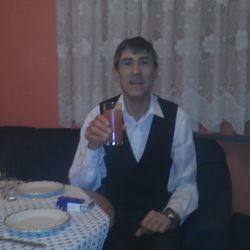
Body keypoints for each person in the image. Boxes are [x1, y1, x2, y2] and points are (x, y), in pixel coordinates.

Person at [69, 36, 198, 250]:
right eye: (127, 63)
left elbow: (186, 183)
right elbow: (80, 188)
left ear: (154, 71)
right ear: (116, 72)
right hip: (109, 218)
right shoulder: (101, 115)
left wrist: (170, 215)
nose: (136, 71)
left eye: (144, 62)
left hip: (157, 219)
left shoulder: (176, 118)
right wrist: (93, 146)